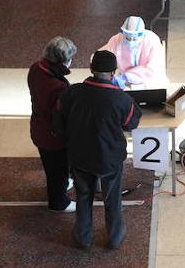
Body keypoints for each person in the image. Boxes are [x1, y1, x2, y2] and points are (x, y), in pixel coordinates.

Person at [53, 49, 141, 250]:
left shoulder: (72, 93)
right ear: (113, 73)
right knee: (112, 199)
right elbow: (131, 123)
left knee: (83, 197)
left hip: (80, 156)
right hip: (109, 159)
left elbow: (58, 119)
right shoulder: (121, 99)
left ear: (91, 70)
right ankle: (115, 238)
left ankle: (83, 238)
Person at [28, 36, 78, 213]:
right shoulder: (57, 86)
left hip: (39, 128)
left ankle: (62, 184)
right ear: (62, 61)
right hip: (52, 135)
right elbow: (61, 113)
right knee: (57, 169)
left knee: (51, 165)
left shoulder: (36, 69)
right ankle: (59, 202)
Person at [101, 16, 167, 88]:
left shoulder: (152, 40)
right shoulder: (116, 40)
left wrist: (126, 77)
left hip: (150, 82)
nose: (131, 40)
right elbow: (102, 56)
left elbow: (152, 68)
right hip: (124, 83)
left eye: (134, 37)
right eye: (128, 37)